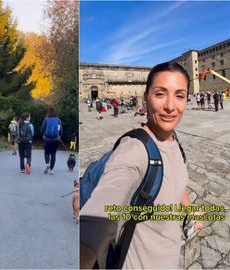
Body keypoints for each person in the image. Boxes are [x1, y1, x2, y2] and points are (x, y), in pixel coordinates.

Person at [80, 62, 203, 269]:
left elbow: (175, 182)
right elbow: (95, 223)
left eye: (180, 95)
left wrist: (190, 210)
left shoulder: (173, 140)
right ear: (145, 97)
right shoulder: (133, 152)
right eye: (160, 94)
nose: (171, 106)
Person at [41, 106, 63, 175]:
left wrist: (44, 135)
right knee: (53, 154)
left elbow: (42, 129)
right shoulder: (58, 120)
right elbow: (60, 131)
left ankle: (47, 163)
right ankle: (51, 170)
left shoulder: (46, 119)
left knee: (47, 153)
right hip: (56, 139)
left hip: (47, 139)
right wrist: (59, 136)